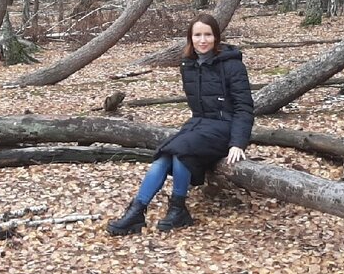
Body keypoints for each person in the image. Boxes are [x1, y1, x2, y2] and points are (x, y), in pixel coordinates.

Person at [108, 13, 254, 235]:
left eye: (207, 35)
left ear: (216, 37)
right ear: (190, 38)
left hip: (224, 128)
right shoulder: (188, 65)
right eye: (197, 35)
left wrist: (238, 143)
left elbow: (244, 108)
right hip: (198, 125)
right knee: (165, 154)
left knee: (181, 150)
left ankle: (178, 208)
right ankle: (136, 212)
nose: (202, 40)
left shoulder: (232, 66)